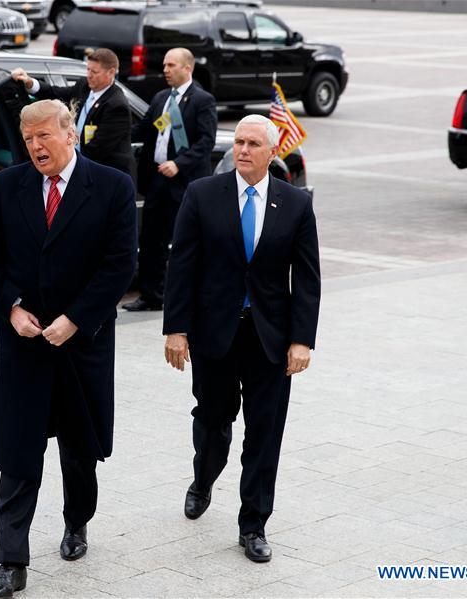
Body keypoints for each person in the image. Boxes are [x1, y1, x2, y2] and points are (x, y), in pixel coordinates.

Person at [0, 99, 137, 598]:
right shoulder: (7, 186)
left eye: (44, 136)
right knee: (19, 453)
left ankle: (76, 522)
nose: (36, 147)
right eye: (28, 139)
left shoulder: (111, 187)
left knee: (79, 451)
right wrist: (12, 307)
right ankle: (11, 560)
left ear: (70, 133)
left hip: (80, 346)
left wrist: (77, 320)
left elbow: (119, 265)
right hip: (24, 346)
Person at [162, 114, 320, 563]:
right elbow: (183, 267)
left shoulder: (295, 204)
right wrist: (176, 328)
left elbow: (307, 280)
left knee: (265, 433)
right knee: (213, 420)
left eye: (253, 143)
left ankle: (253, 524)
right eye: (240, 143)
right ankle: (204, 477)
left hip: (270, 338)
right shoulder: (203, 194)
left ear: (273, 152)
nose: (243, 150)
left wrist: (301, 340)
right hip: (215, 334)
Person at [122, 47, 217, 312]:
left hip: (184, 183)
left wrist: (179, 163)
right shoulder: (161, 98)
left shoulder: (202, 100)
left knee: (184, 242)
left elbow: (205, 142)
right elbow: (145, 129)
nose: (165, 70)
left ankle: (185, 296)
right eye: (164, 65)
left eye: (171, 65)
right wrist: (115, 132)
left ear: (188, 68)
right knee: (152, 240)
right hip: (157, 181)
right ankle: (151, 296)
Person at [11, 48, 135, 178]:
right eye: (88, 70)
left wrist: (63, 159)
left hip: (106, 175)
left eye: (94, 72)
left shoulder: (116, 106)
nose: (89, 75)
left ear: (111, 72)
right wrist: (29, 82)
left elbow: (96, 150)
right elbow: (56, 93)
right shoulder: (84, 86)